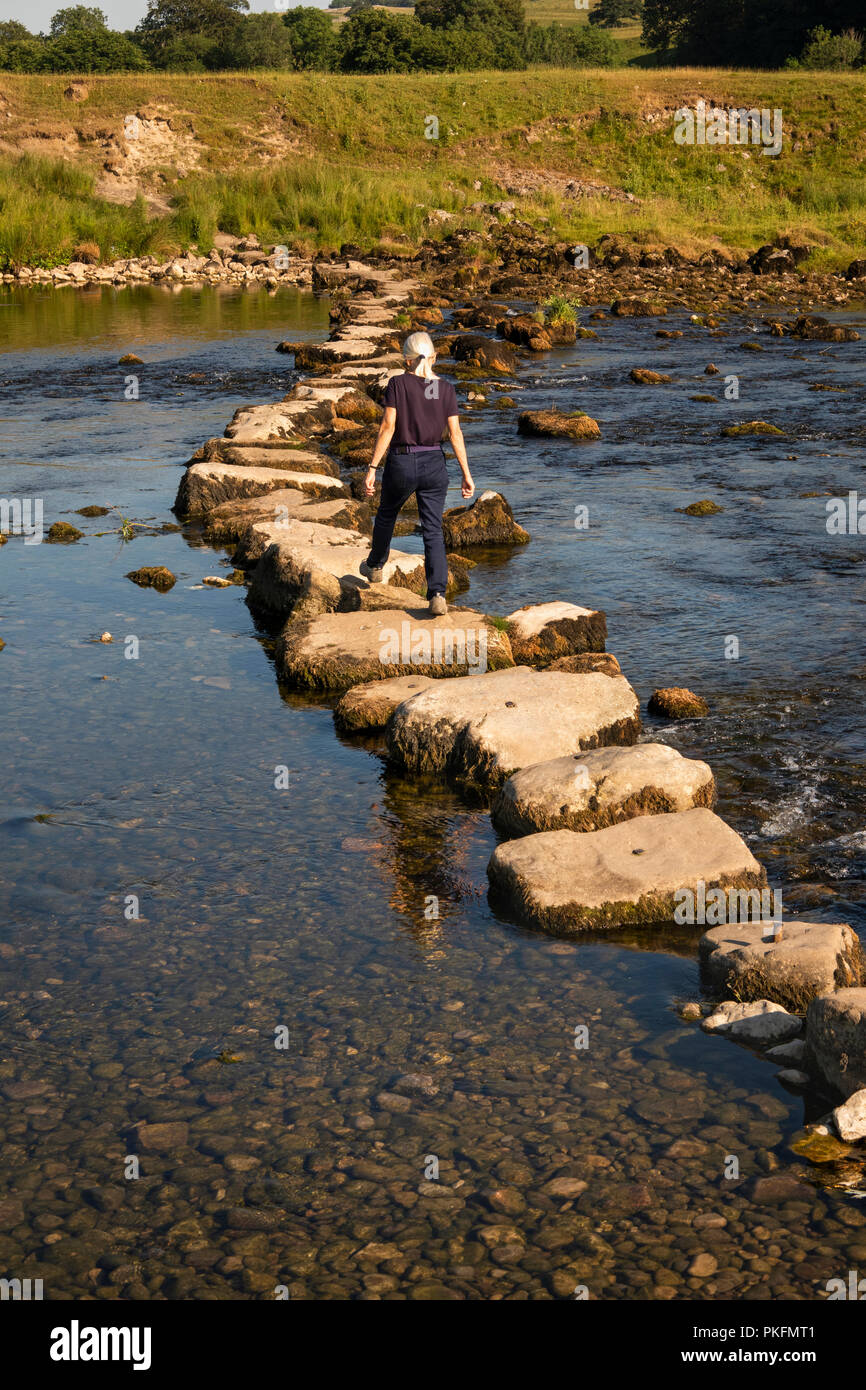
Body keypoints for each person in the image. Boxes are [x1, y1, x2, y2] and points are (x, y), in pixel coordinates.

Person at [360, 331, 473, 616]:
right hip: (435, 462)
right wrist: (466, 473)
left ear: (407, 361)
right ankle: (437, 594)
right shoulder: (445, 389)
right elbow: (455, 433)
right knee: (433, 530)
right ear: (433, 358)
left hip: (402, 462)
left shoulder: (397, 384)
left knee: (387, 514)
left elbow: (388, 427)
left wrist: (372, 467)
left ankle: (375, 566)